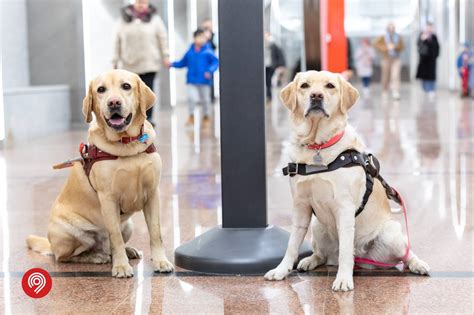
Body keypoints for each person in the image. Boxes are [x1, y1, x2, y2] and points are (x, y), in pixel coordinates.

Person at [112, 0, 169, 127]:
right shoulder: (123, 20)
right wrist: (114, 60)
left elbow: (163, 38)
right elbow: (116, 41)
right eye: (139, 2)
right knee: (129, 93)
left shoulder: (155, 20)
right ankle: (130, 117)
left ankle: (147, 119)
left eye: (144, 2)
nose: (141, 4)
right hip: (129, 64)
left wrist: (166, 55)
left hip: (149, 63)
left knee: (146, 92)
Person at [169, 29, 219, 127]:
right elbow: (182, 63)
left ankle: (206, 116)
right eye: (200, 37)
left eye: (204, 37)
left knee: (205, 100)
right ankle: (191, 116)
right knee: (191, 98)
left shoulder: (208, 51)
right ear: (195, 38)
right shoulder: (190, 52)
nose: (202, 39)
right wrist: (172, 64)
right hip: (191, 80)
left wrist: (210, 70)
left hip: (204, 81)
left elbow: (215, 62)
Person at [374, 22, 404, 100]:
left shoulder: (398, 37)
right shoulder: (382, 37)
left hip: (396, 58)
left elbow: (402, 46)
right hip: (386, 59)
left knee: (395, 75)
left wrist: (395, 46)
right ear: (387, 28)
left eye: (392, 27)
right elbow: (375, 44)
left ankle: (395, 91)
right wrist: (386, 47)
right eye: (390, 27)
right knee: (385, 75)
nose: (391, 29)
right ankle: (385, 90)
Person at [416, 23, 440, 101]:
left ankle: (431, 89)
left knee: (432, 75)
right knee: (424, 76)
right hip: (424, 60)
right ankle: (426, 89)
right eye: (428, 27)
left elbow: (437, 47)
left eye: (430, 27)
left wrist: (436, 55)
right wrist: (422, 39)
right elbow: (418, 45)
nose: (429, 29)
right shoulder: (422, 35)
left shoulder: (434, 37)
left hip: (432, 59)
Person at [264, 31, 286, 102]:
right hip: (264, 67)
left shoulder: (273, 45)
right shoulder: (263, 45)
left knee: (268, 80)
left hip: (271, 66)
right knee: (267, 81)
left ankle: (269, 96)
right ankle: (268, 95)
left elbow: (280, 55)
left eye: (267, 35)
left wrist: (281, 65)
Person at [201, 18, 217, 103]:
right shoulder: (201, 35)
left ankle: (211, 97)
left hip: (211, 61)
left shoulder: (214, 35)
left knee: (210, 79)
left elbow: (215, 46)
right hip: (202, 61)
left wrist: (209, 38)